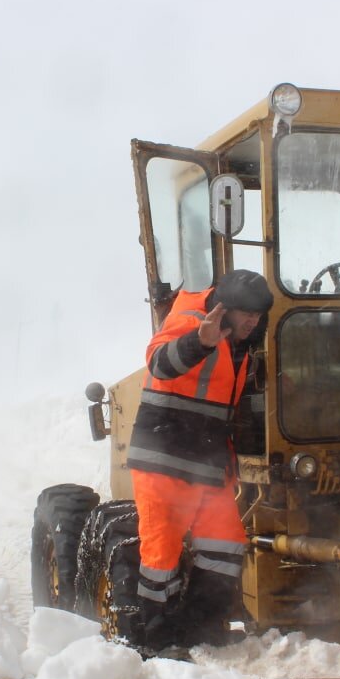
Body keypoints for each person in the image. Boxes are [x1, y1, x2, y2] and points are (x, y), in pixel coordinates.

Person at [126, 269, 274, 652]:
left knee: (226, 546)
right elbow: (159, 364)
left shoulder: (242, 344)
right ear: (223, 309)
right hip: (164, 460)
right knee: (161, 556)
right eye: (246, 314)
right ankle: (157, 644)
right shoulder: (190, 321)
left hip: (207, 465)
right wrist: (198, 342)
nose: (252, 321)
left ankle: (200, 634)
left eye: (257, 315)